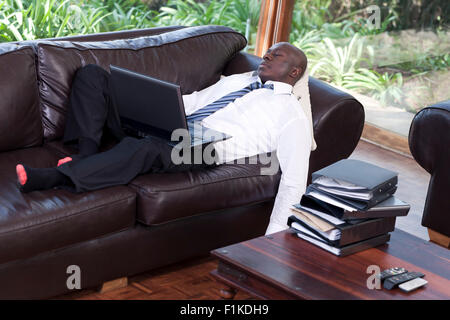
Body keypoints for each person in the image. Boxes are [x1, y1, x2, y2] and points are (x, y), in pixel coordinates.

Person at [15, 42, 312, 235]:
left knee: (147, 147)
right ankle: (85, 153)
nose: (268, 55)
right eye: (269, 51)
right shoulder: (240, 80)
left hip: (204, 149)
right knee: (93, 75)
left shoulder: (291, 115)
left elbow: (294, 180)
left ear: (294, 71)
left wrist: (274, 238)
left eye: (278, 55)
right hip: (175, 125)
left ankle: (54, 176)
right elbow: (193, 102)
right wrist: (149, 104)